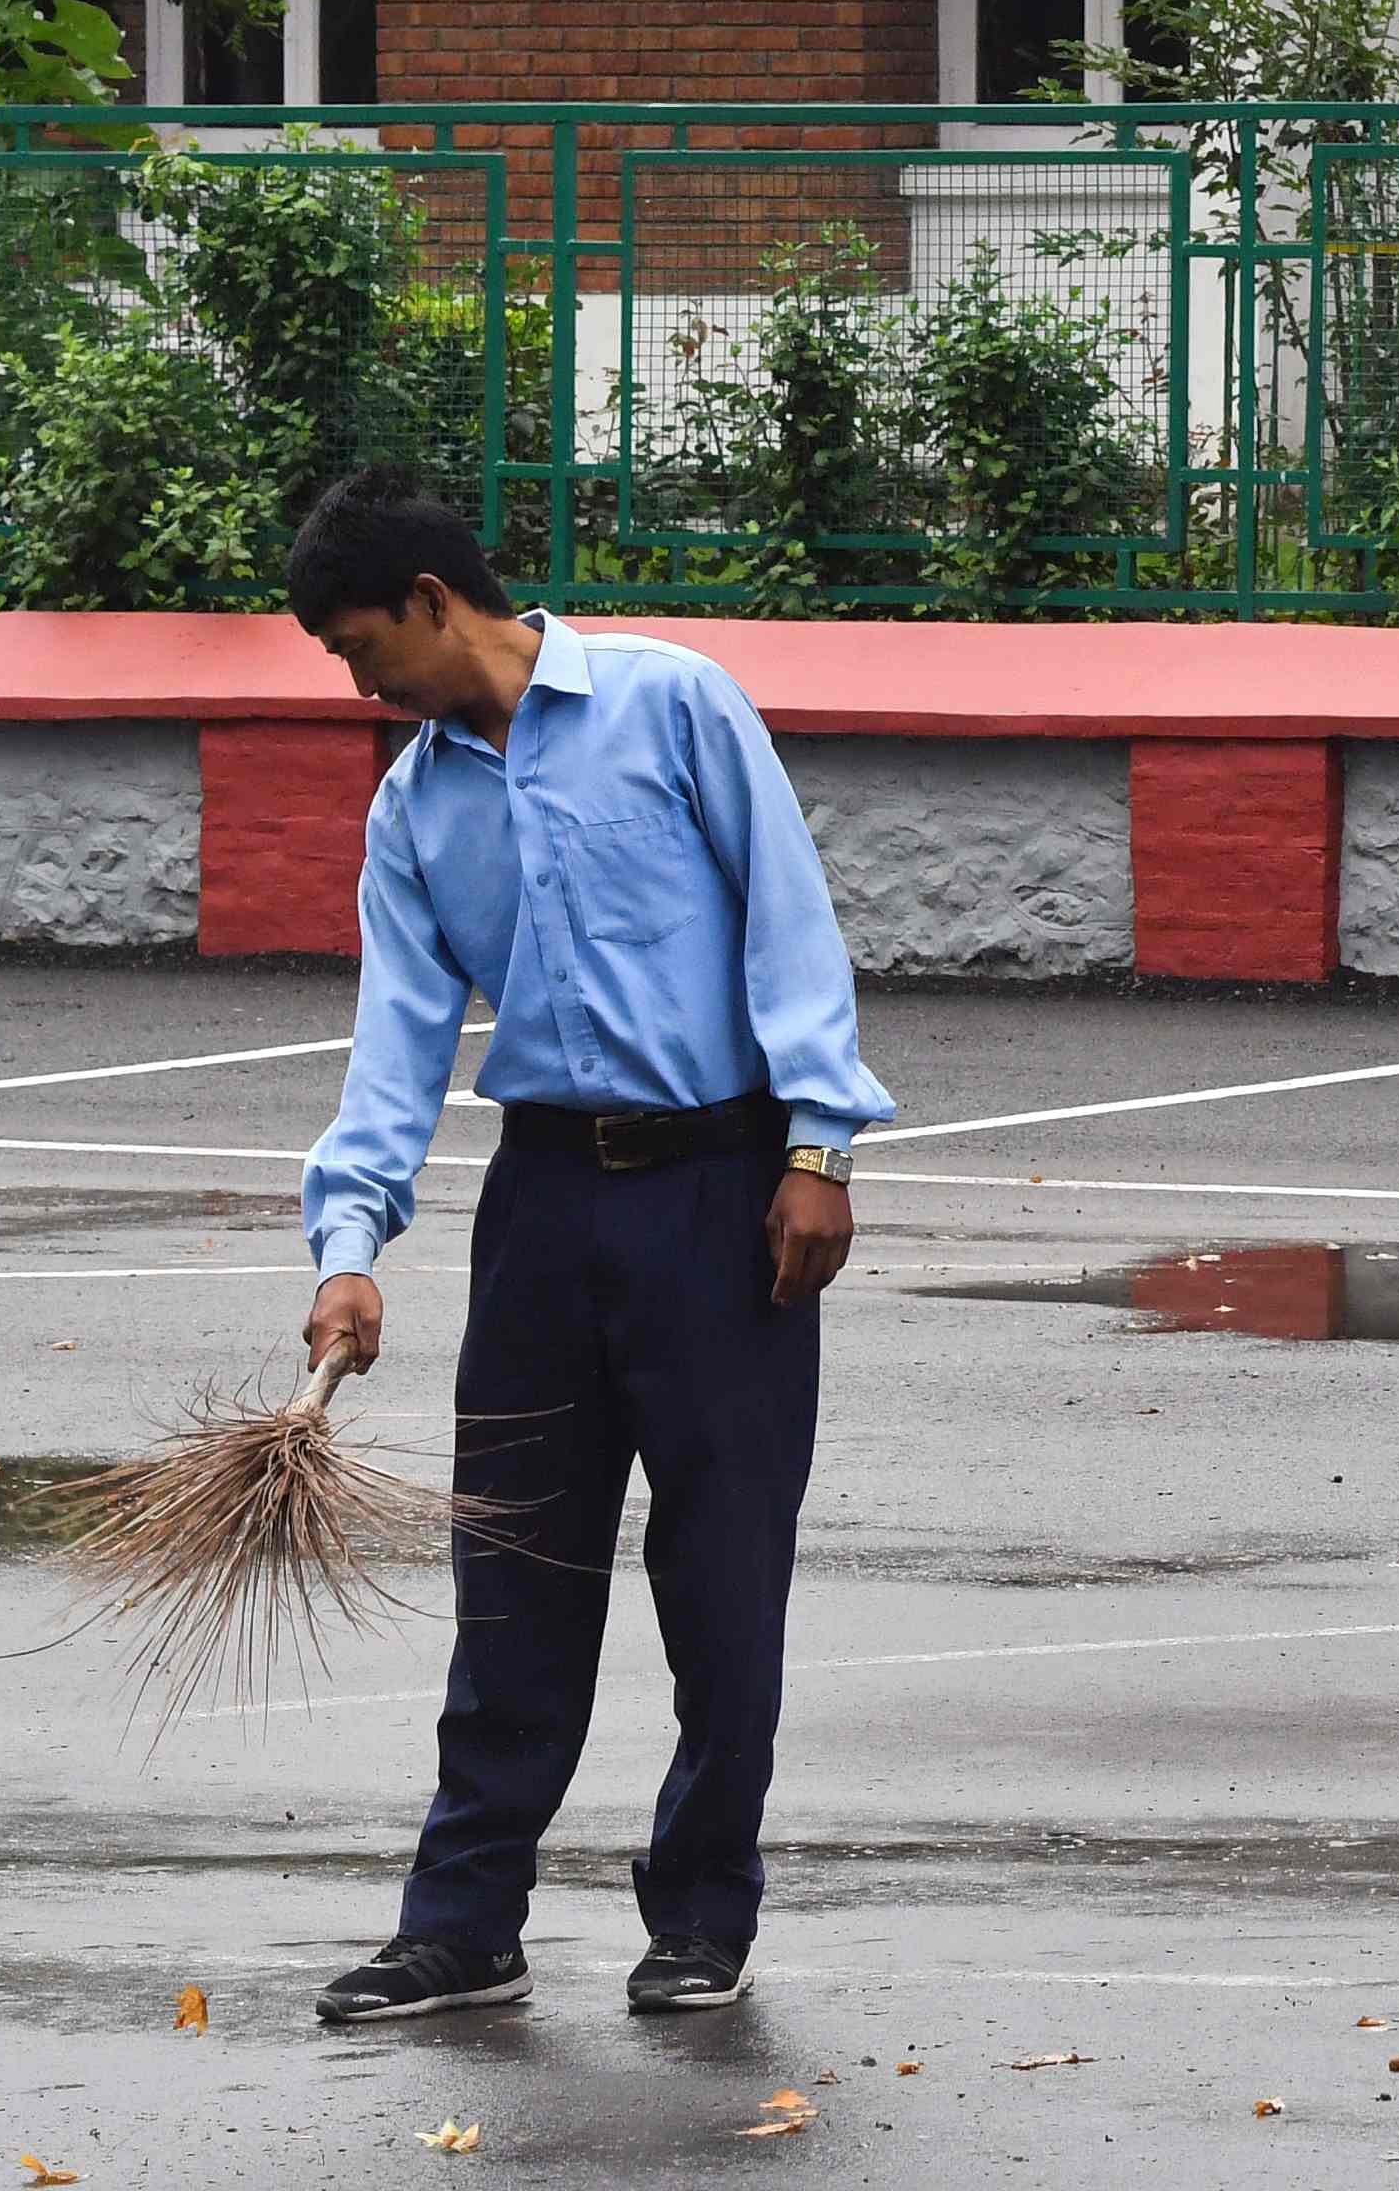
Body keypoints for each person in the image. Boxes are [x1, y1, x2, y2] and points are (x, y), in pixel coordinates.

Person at [280, 470, 894, 2029]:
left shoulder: (672, 704)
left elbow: (789, 921)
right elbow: (398, 1043)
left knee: (722, 1568)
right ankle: (463, 1925)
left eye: (363, 650)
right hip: (544, 1205)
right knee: (514, 1574)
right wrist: (349, 1244)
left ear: (433, 599)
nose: (360, 687)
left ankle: (701, 1916)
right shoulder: (415, 802)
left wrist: (817, 1147)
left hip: (722, 1189)